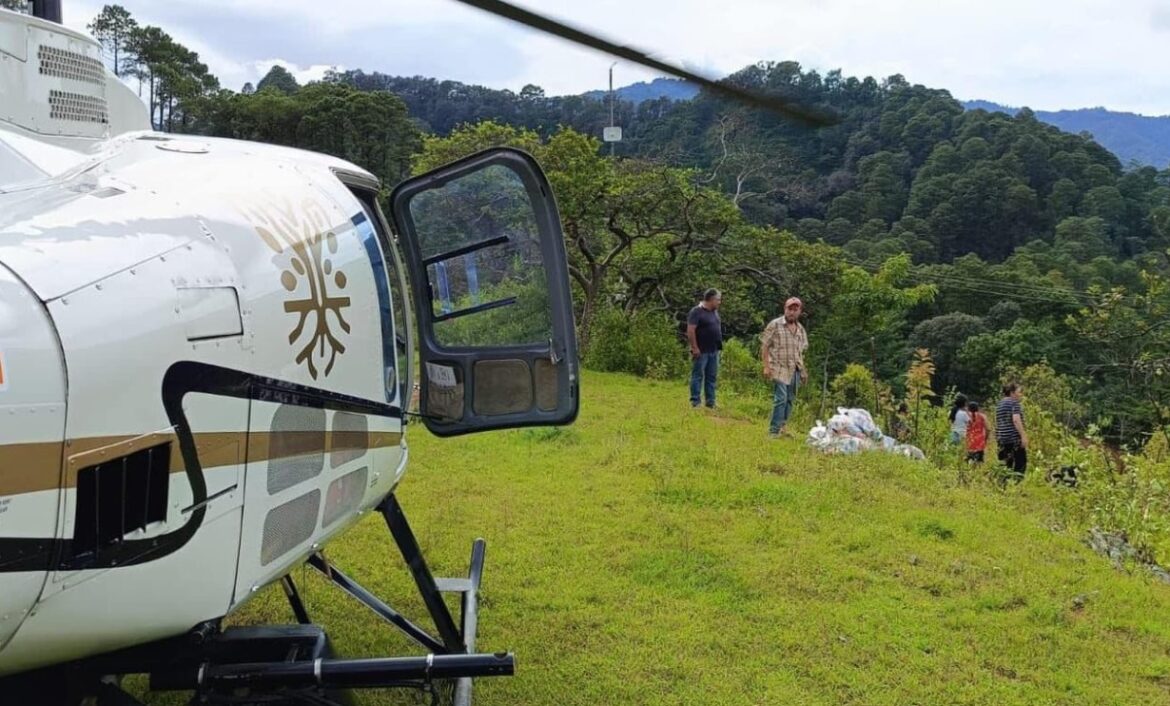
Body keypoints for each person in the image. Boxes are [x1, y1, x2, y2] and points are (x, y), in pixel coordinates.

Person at [761, 296, 808, 437]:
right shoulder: (775, 324)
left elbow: (800, 352)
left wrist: (804, 370)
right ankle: (773, 431)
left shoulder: (800, 329)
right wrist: (766, 366)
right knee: (780, 398)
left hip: (795, 369)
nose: (792, 312)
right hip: (779, 367)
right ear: (785, 309)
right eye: (790, 309)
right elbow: (765, 346)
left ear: (799, 311)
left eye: (795, 309)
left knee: (790, 399)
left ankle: (782, 426)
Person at [687, 288, 723, 408]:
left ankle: (710, 402)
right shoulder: (696, 311)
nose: (719, 302)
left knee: (711, 377)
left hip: (714, 350)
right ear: (711, 299)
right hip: (701, 350)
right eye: (718, 300)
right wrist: (694, 347)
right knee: (698, 375)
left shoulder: (714, 312)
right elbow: (691, 330)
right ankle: (695, 401)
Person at [995, 382, 1028, 481]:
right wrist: (1023, 436)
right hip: (1014, 439)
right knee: (1021, 464)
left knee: (1005, 465)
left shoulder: (1000, 404)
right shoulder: (1014, 403)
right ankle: (1016, 486)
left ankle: (1003, 486)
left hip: (1002, 439)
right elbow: (1016, 420)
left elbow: (998, 422)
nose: (1020, 394)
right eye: (1019, 392)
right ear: (1012, 392)